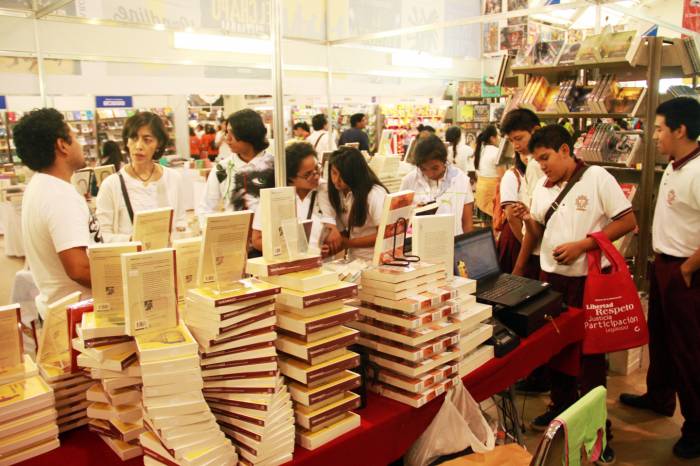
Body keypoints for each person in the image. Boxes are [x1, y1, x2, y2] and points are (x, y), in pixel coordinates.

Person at [512, 125, 637, 465]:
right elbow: (539, 232)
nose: (542, 167)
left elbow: (627, 221)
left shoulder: (597, 178)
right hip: (551, 279)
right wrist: (527, 220)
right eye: (537, 161)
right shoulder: (542, 185)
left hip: (587, 282)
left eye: (546, 158)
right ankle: (561, 408)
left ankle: (598, 430)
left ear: (565, 150)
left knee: (589, 357)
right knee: (555, 349)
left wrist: (584, 244)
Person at [619, 97, 700, 460]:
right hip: (664, 266)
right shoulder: (674, 165)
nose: (654, 135)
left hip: (686, 272)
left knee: (689, 351)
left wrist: (687, 268)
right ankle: (659, 396)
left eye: (659, 128)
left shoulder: (697, 171)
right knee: (663, 340)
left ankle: (696, 428)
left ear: (680, 130)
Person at [15, 108, 102, 319]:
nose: (80, 145)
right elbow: (78, 269)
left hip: (58, 308)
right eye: (75, 137)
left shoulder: (39, 186)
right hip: (79, 315)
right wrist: (124, 282)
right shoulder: (59, 195)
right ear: (62, 145)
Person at [96, 111, 187, 243]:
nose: (138, 146)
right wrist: (132, 240)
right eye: (133, 138)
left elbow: (180, 220)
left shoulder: (173, 178)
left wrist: (180, 233)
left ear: (159, 144)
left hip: (166, 254)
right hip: (129, 255)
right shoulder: (111, 184)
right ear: (127, 141)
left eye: (147, 140)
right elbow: (102, 235)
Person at [197, 109, 275, 226]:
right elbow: (205, 208)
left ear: (249, 134)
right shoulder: (222, 169)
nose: (227, 138)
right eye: (226, 132)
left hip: (269, 234)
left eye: (233, 133)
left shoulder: (275, 165)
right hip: (234, 234)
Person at [250, 142, 328, 251]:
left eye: (317, 169)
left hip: (324, 260)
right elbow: (257, 240)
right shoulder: (274, 198)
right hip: (288, 259)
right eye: (308, 174)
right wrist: (288, 251)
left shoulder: (326, 191)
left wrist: (330, 247)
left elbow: (341, 234)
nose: (316, 176)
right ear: (291, 178)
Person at [319, 147, 388, 261]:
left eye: (342, 175)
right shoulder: (337, 193)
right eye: (334, 173)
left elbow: (384, 235)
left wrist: (348, 243)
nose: (336, 180)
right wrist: (330, 249)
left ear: (354, 173)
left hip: (376, 260)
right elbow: (347, 234)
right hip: (354, 260)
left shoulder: (374, 194)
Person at [400, 134, 474, 235]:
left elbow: (467, 224)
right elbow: (400, 221)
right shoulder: (409, 181)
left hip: (454, 241)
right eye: (423, 169)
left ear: (444, 161)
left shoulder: (461, 180)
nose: (430, 174)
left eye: (435, 168)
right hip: (419, 242)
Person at [495, 151, 539, 275]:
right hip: (517, 234)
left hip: (531, 235)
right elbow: (511, 217)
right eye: (523, 153)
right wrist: (527, 247)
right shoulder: (512, 176)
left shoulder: (537, 175)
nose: (528, 157)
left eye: (531, 152)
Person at [473, 125, 503, 222]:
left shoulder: (481, 150)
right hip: (492, 192)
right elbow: (502, 176)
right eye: (498, 135)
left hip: (481, 191)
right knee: (495, 224)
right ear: (492, 138)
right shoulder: (496, 152)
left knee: (485, 224)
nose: (500, 138)